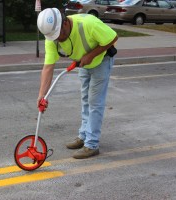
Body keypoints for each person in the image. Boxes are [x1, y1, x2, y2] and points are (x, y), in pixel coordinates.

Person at [36, 8, 118, 159]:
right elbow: (48, 67)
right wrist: (42, 95)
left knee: (95, 102)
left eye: (58, 35)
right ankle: (84, 136)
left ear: (65, 23)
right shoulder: (52, 37)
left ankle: (92, 144)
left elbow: (113, 37)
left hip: (101, 61)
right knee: (85, 99)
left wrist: (91, 55)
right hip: (83, 63)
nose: (57, 40)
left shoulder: (88, 24)